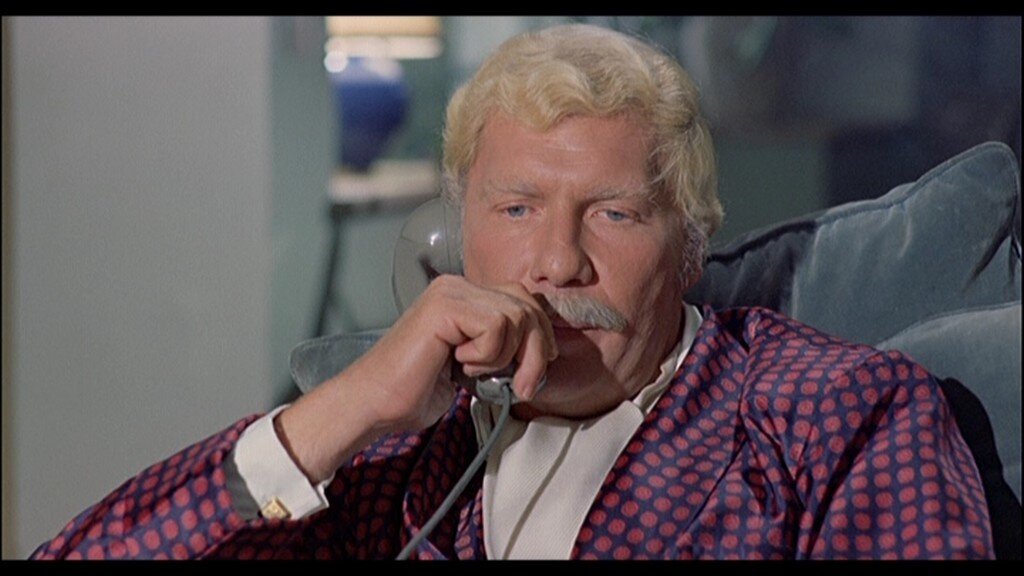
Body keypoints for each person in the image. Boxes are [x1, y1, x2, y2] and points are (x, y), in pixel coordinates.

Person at [32, 23, 992, 560]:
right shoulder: (398, 446)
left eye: (614, 213)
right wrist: (346, 409)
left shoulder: (843, 414)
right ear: (458, 238)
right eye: (518, 208)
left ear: (690, 246)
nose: (557, 263)